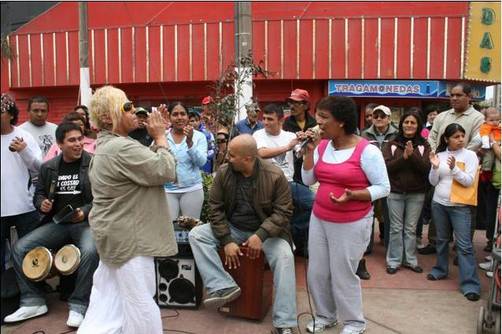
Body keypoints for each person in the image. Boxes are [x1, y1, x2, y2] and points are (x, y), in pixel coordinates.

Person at [78, 86, 178, 333]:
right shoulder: (120, 148)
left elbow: (147, 167)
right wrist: (161, 138)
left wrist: (158, 138)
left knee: (108, 301)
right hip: (130, 238)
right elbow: (164, 171)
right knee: (140, 303)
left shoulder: (113, 145)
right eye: (126, 107)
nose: (134, 110)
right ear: (107, 118)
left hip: (117, 235)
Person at [188, 134, 297, 334]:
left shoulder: (274, 175)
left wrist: (260, 235)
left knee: (285, 257)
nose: (227, 157)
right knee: (197, 235)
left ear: (248, 158)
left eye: (232, 154)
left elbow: (284, 212)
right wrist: (227, 239)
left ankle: (284, 323)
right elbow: (215, 208)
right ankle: (223, 285)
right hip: (234, 228)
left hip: (268, 234)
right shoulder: (223, 172)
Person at [302, 96, 390, 334]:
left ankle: (354, 322)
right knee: (317, 272)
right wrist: (309, 153)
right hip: (320, 218)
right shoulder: (322, 146)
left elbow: (383, 187)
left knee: (343, 273)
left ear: (341, 122)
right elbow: (309, 179)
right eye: (317, 116)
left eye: (324, 117)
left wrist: (355, 195)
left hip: (351, 222)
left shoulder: (367, 151)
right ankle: (325, 316)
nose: (317, 122)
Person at [5, 122, 98, 328]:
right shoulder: (50, 167)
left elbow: (102, 197)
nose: (78, 144)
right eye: (72, 140)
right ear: (59, 144)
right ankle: (33, 301)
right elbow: (39, 194)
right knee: (20, 248)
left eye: (80, 139)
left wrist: (85, 210)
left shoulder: (93, 164)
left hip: (85, 224)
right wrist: (42, 203)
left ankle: (79, 304)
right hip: (58, 223)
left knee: (91, 251)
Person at [419, 82, 484, 255]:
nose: (454, 98)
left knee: (466, 209)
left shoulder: (478, 118)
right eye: (452, 95)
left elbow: (477, 142)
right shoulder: (442, 116)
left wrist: (460, 156)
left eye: (458, 95)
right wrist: (436, 156)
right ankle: (434, 243)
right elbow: (432, 138)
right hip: (440, 165)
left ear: (469, 97)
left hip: (465, 168)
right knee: (438, 202)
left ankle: (461, 248)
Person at [427, 123, 481, 302]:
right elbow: (433, 182)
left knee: (464, 245)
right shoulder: (440, 155)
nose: (460, 140)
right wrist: (435, 167)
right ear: (446, 139)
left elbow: (468, 182)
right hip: (439, 204)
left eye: (462, 136)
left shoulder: (471, 155)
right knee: (441, 240)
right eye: (456, 137)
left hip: (460, 206)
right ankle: (440, 270)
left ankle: (470, 284)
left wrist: (454, 169)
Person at [254, 103, 312, 256]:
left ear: (280, 121)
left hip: (288, 183)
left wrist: (305, 142)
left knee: (313, 203)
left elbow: (300, 153)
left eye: (270, 119)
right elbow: (262, 153)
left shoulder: (290, 136)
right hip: (266, 184)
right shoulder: (258, 134)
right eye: (264, 118)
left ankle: (293, 231)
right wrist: (288, 147)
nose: (265, 122)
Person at [382, 110, 431, 274]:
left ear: (418, 126)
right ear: (401, 124)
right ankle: (394, 261)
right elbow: (387, 167)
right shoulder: (391, 143)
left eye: (413, 123)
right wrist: (403, 157)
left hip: (417, 193)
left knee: (410, 229)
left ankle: (410, 260)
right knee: (396, 228)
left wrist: (412, 156)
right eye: (406, 122)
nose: (409, 125)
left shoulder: (424, 145)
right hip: (395, 192)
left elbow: (426, 169)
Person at [1, 94, 42, 277]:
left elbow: (39, 168)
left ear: (10, 114)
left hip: (24, 207)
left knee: (29, 253)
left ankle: (32, 293)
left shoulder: (24, 136)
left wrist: (23, 151)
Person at [361, 105, 397, 249]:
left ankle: (388, 243)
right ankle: (367, 246)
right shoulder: (364, 135)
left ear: (389, 118)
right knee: (368, 214)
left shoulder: (397, 134)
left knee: (388, 215)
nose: (379, 119)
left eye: (383, 116)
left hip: (391, 179)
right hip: (368, 180)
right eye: (376, 116)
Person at [164, 102, 207, 220]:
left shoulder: (199, 136)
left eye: (183, 114)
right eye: (175, 114)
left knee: (191, 228)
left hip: (192, 189)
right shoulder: (162, 136)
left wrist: (190, 143)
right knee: (169, 229)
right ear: (169, 117)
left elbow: (202, 162)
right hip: (167, 190)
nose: (179, 117)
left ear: (188, 117)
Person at [477, 107, 501, 252]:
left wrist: (492, 142)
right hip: (492, 180)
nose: (494, 122)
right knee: (491, 212)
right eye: (491, 120)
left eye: (497, 120)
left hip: (498, 180)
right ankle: (490, 243)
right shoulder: (484, 129)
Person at [189, 109, 215, 173]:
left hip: (205, 165)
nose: (194, 123)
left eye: (196, 120)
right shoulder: (183, 133)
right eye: (192, 121)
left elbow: (212, 149)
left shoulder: (207, 134)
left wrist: (204, 156)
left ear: (200, 121)